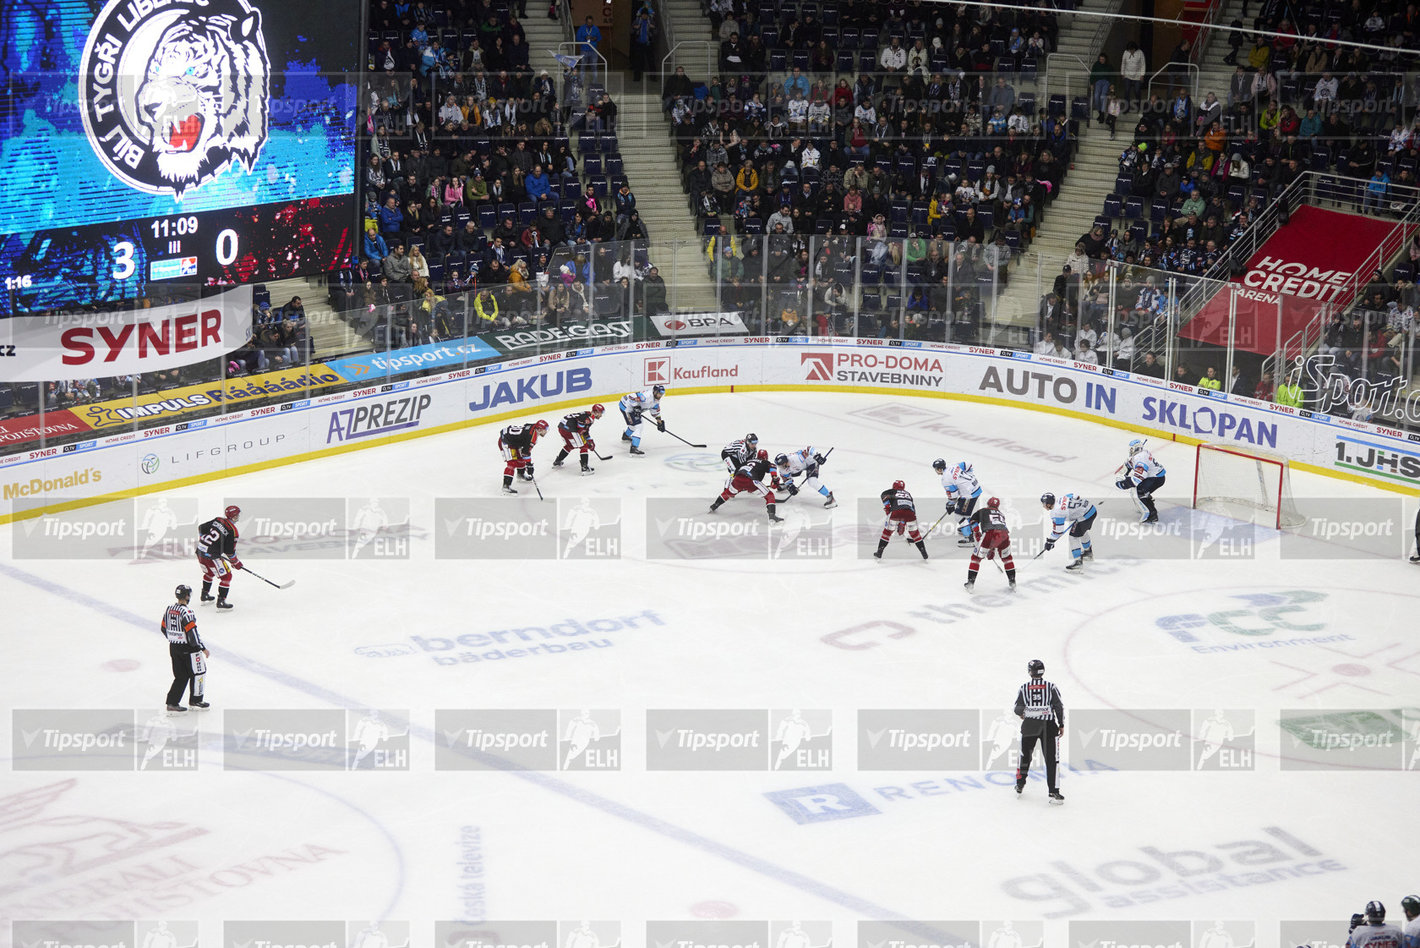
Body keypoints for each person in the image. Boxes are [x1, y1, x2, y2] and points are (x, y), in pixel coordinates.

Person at [1013, 659, 1065, 805]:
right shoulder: (1051, 687)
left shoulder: (1024, 688)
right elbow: (1059, 706)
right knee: (1052, 759)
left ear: (1030, 672)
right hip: (1049, 726)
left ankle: (1020, 783)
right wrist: (1061, 724)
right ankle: (1054, 791)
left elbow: (1017, 708)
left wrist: (1024, 713)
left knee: (1025, 755)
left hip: (1030, 725)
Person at [161, 584, 209, 713]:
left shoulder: (169, 609)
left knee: (181, 676)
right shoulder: (186, 612)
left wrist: (174, 639)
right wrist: (201, 648)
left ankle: (172, 703)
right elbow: (192, 633)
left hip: (173, 647)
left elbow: (163, 628)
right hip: (188, 648)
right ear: (187, 596)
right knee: (199, 672)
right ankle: (196, 700)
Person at [709, 449, 785, 522]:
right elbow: (772, 467)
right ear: (766, 457)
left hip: (738, 479)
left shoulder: (747, 461)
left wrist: (741, 486)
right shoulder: (764, 462)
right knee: (770, 495)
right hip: (751, 480)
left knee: (727, 493)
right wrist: (774, 478)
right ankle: (772, 517)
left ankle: (714, 506)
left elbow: (735, 472)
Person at [964, 497, 1016, 593]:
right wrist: (991, 549)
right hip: (1004, 534)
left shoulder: (983, 510)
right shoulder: (1001, 514)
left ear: (988, 504)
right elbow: (998, 535)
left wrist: (977, 533)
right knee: (1007, 559)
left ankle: (970, 584)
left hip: (989, 533)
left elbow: (973, 521)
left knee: (975, 559)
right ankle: (1012, 582)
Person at [196, 505, 242, 610]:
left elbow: (201, 527)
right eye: (237, 515)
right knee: (227, 577)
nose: (238, 516)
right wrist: (235, 562)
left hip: (200, 551)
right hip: (212, 556)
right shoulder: (233, 531)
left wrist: (204, 542)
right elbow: (229, 552)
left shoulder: (218, 520)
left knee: (209, 572)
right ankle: (221, 602)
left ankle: (204, 595)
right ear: (234, 516)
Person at [932, 458, 985, 546]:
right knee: (965, 513)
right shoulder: (953, 466)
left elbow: (953, 496)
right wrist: (970, 478)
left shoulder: (945, 479)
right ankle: (968, 527)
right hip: (976, 488)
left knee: (958, 516)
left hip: (969, 494)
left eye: (936, 469)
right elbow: (968, 464)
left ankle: (968, 537)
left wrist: (950, 505)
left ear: (939, 469)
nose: (936, 471)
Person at [1041, 490, 1097, 571]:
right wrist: (1078, 510)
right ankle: (1088, 553)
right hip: (1091, 509)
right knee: (1081, 531)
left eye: (1044, 504)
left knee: (1073, 536)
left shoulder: (1057, 512)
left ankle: (1078, 562)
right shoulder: (1062, 498)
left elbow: (1058, 531)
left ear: (1049, 504)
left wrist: (1050, 541)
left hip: (1086, 515)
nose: (1043, 505)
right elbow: (1075, 495)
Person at [873, 480, 930, 560]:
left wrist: (887, 507)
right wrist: (902, 523)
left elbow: (883, 495)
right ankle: (923, 552)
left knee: (887, 532)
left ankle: (879, 552)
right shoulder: (908, 494)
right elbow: (911, 508)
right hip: (911, 514)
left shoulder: (893, 491)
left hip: (896, 513)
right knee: (915, 534)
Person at [1117, 438, 1166, 523]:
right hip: (1155, 476)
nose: (1131, 451)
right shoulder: (1141, 453)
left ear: (1136, 448)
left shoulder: (1140, 458)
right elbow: (1131, 464)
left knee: (1140, 492)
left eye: (1132, 449)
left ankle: (1152, 515)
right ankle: (1146, 502)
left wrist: (1124, 484)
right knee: (1141, 490)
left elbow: (1138, 479)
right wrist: (1125, 470)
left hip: (1156, 478)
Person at [497, 419, 548, 493]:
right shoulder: (532, 437)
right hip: (506, 442)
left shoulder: (534, 427)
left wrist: (528, 464)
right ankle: (506, 486)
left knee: (520, 458)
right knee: (512, 463)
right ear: (539, 429)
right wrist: (529, 465)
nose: (546, 431)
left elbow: (526, 426)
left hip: (513, 442)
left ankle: (520, 475)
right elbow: (526, 453)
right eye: (545, 430)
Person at [553, 403, 605, 474]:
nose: (601, 415)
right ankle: (584, 468)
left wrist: (590, 440)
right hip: (569, 428)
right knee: (584, 446)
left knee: (570, 445)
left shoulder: (588, 415)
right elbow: (580, 429)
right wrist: (588, 443)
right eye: (600, 413)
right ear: (596, 412)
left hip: (562, 427)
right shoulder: (588, 418)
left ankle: (558, 461)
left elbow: (585, 430)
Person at [618, 384, 665, 456]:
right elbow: (631, 397)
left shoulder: (656, 401)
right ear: (654, 392)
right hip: (626, 407)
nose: (660, 396)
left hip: (631, 409)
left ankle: (626, 436)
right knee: (639, 425)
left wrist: (659, 422)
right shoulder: (646, 396)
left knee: (634, 426)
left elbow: (655, 412)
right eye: (659, 394)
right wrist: (636, 407)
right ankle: (634, 448)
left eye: (661, 394)